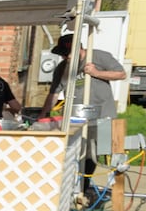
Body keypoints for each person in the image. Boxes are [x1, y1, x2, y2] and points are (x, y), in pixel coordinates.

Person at [44, 33, 126, 199]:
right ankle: (72, 188)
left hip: (101, 115)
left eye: (67, 54)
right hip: (75, 117)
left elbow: (121, 74)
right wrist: (43, 114)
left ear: (79, 49)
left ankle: (83, 187)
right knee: (72, 152)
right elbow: (54, 93)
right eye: (62, 54)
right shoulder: (62, 69)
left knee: (92, 153)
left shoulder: (98, 56)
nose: (65, 57)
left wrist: (96, 73)